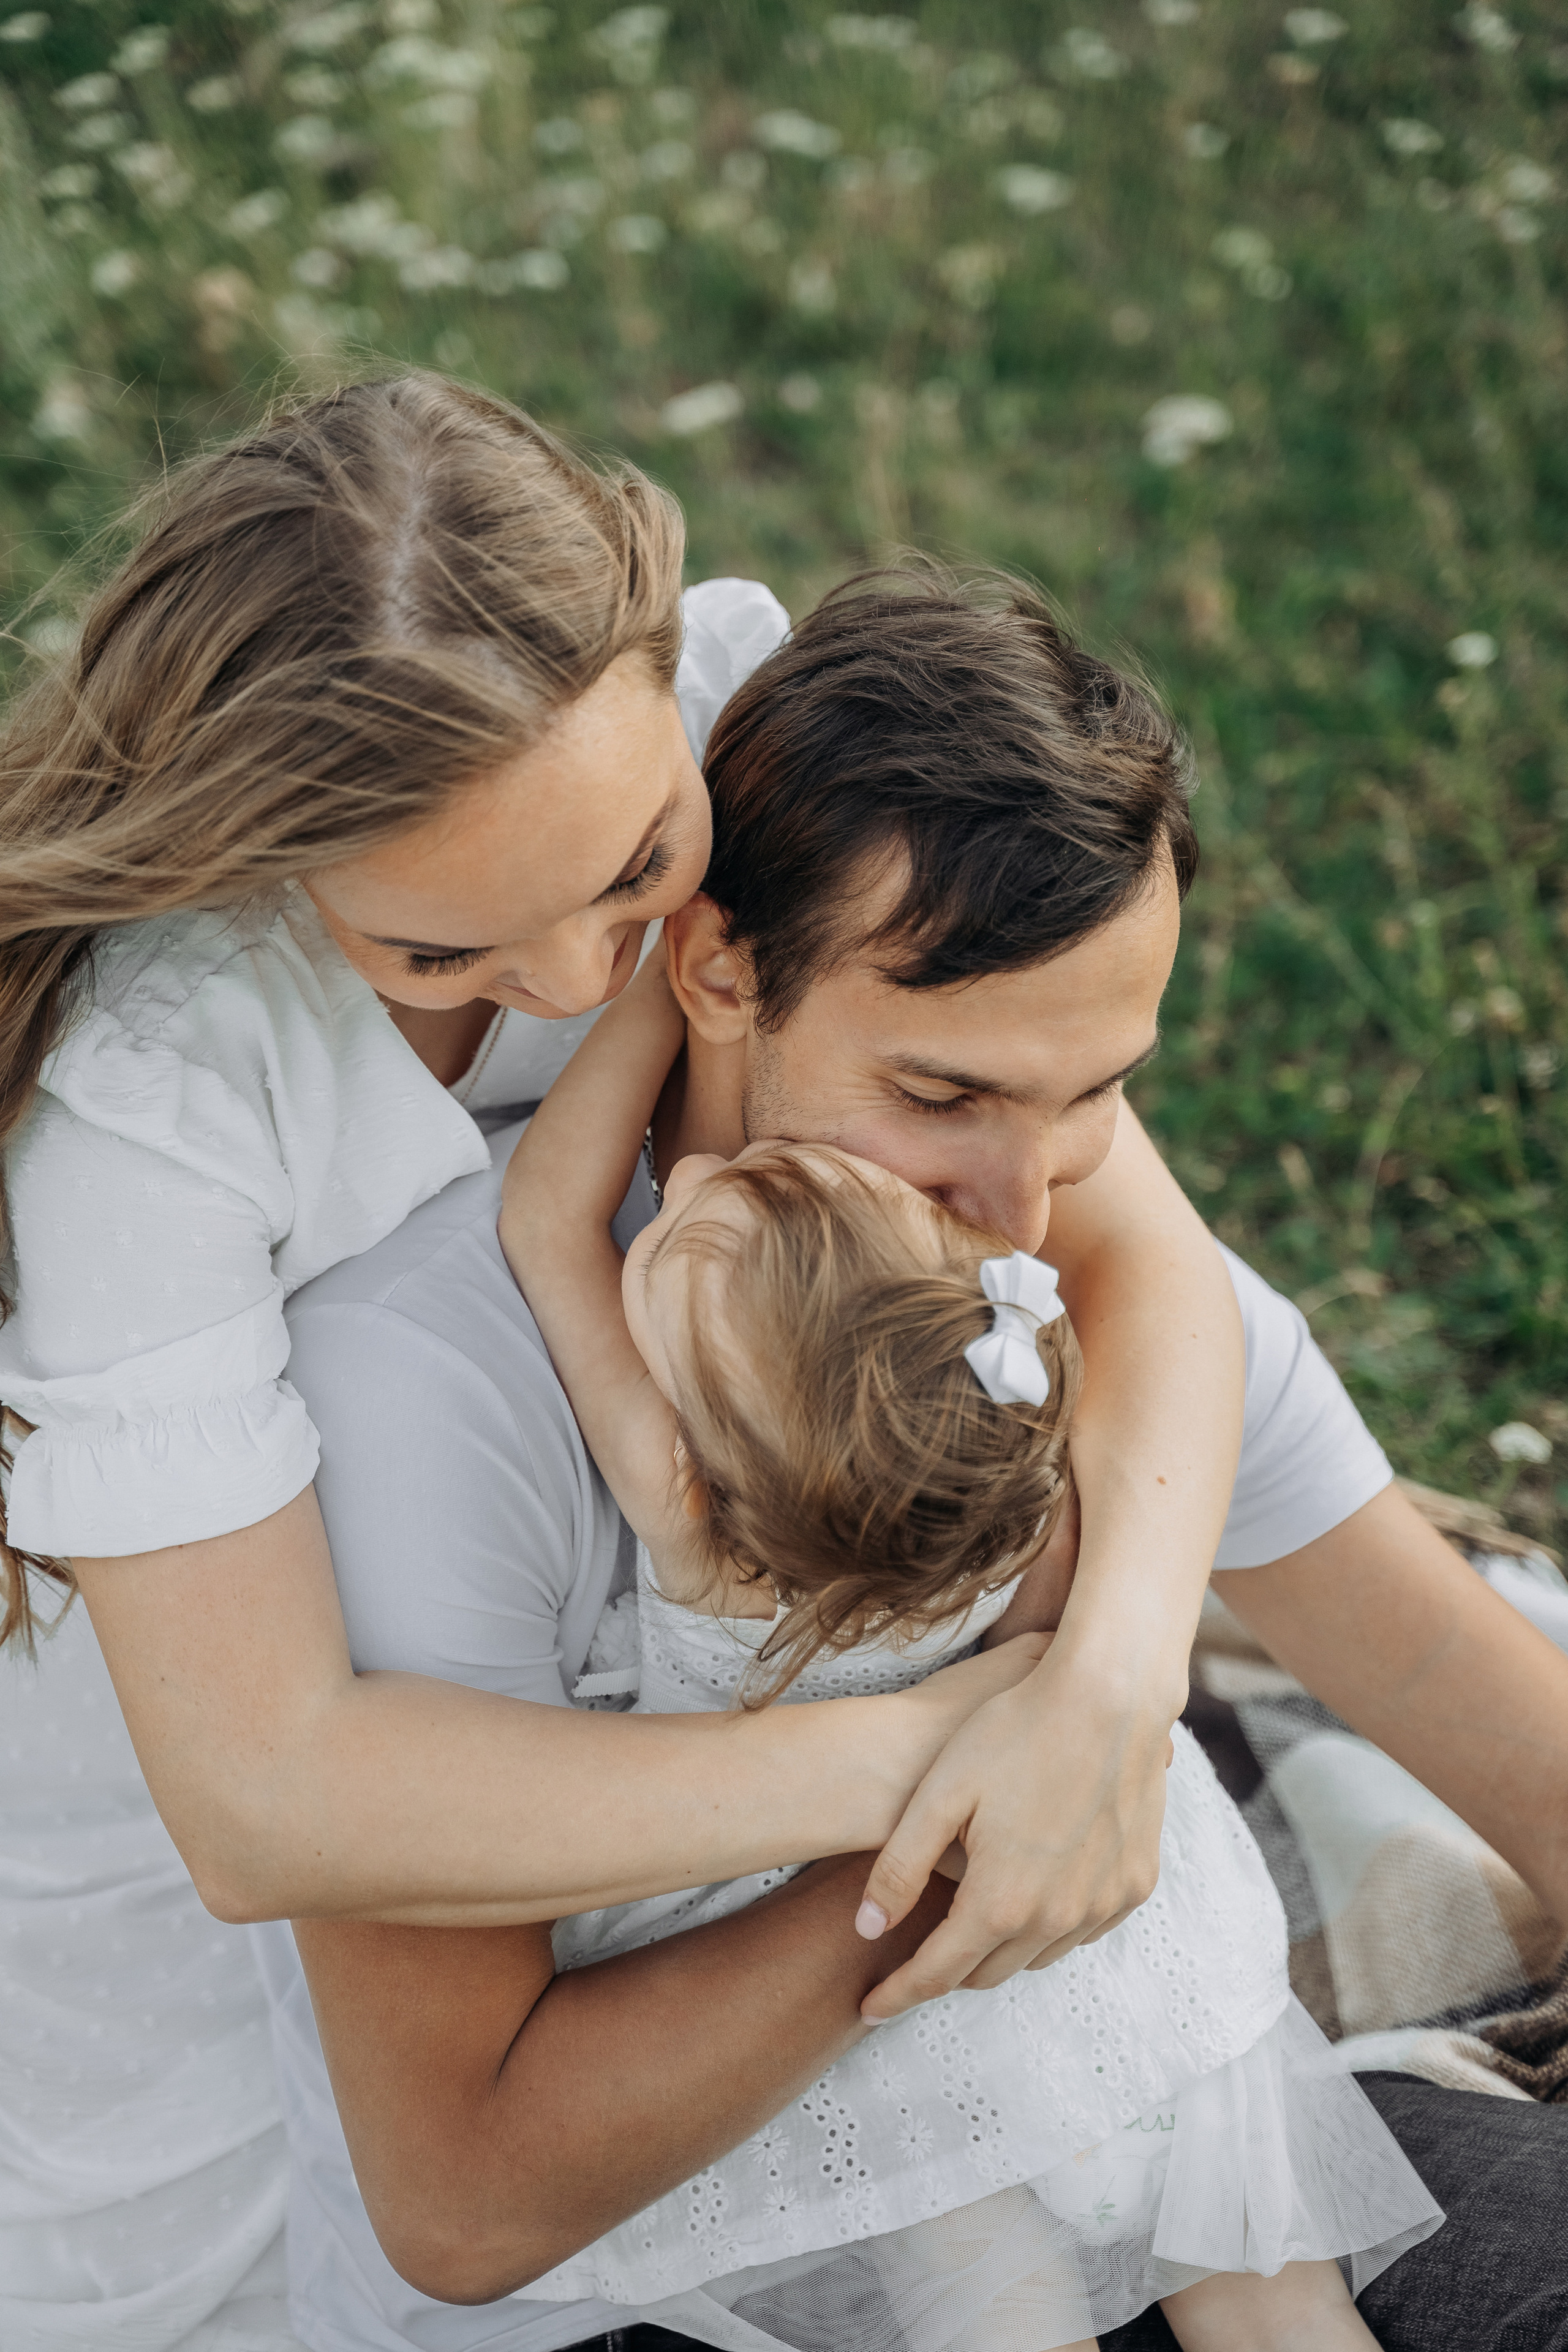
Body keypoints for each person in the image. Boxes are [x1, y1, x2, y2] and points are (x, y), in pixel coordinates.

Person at [273, 572, 1568, 2352]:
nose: (1030, 1212)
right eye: (946, 1099)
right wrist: (992, 1815)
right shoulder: (447, 1385)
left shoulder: (1043, 1270)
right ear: (718, 971)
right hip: (676, 2267)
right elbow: (470, 2202)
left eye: (1100, 1090)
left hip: (1140, 2098)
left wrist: (1113, 1688)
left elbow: (1463, 1690)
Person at [480, 948, 1442, 2351]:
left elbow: (544, 1216)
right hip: (1110, 1958)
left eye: (678, 1235)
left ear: (694, 1448)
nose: (680, 1184)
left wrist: (663, 985)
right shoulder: (1009, 1479)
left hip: (879, 2021)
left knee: (989, 2306)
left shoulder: (694, 1523)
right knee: (1265, 2281)